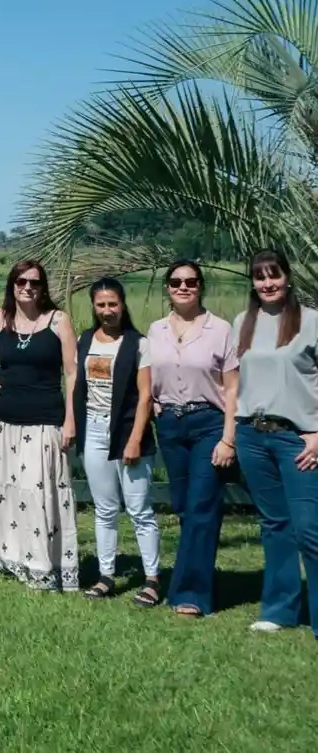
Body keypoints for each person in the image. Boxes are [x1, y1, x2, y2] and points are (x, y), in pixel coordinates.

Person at [231, 248, 318, 636]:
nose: (267, 283)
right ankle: (280, 610)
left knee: (309, 529)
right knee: (275, 525)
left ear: (287, 276)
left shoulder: (311, 322)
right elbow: (234, 382)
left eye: (274, 275)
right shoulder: (243, 322)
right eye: (260, 277)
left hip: (297, 439)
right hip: (253, 436)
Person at [144, 259, 238, 618]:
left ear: (201, 286)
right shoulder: (155, 330)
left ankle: (191, 595)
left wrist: (228, 438)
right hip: (170, 425)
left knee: (201, 506)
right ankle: (197, 579)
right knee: (184, 505)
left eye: (191, 281)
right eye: (176, 282)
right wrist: (154, 404)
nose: (183, 287)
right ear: (167, 288)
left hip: (208, 424)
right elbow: (147, 375)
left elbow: (232, 388)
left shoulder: (221, 329)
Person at [0, 261, 79, 592]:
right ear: (12, 285)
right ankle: (11, 560)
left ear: (43, 287)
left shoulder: (58, 321)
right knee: (6, 492)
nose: (28, 287)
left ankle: (45, 564)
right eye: (21, 281)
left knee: (41, 493)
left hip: (44, 420)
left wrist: (70, 419)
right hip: (2, 422)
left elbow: (72, 373)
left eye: (35, 282)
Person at [74, 277, 160, 606]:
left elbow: (145, 396)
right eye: (101, 305)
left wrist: (135, 440)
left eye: (113, 304)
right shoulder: (85, 340)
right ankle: (106, 576)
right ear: (93, 307)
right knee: (105, 509)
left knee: (139, 509)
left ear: (123, 305)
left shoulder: (138, 343)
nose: (107, 310)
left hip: (127, 431)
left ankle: (152, 579)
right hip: (93, 431)